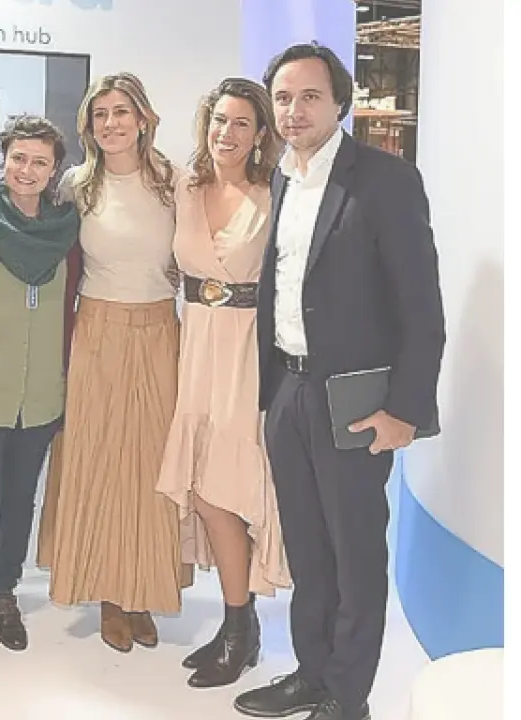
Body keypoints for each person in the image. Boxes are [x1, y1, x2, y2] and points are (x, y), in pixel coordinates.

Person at [234, 43, 444, 720]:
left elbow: (421, 307)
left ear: (340, 104)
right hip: (288, 392)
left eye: (309, 97)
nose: (293, 111)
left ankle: (348, 699)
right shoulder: (282, 179)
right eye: (283, 97)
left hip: (353, 401)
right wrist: (272, 396)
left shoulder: (385, 180)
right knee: (307, 551)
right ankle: (311, 674)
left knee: (354, 557)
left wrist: (404, 409)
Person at [35, 72, 186, 653]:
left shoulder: (174, 181)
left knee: (152, 470)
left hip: (159, 334)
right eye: (100, 114)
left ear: (143, 118)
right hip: (95, 333)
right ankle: (108, 597)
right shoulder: (77, 184)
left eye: (121, 111)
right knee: (96, 465)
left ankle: (142, 591)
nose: (111, 123)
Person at [156, 77, 290, 689]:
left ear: (260, 133)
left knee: (226, 493)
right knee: (206, 490)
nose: (226, 133)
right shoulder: (184, 187)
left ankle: (240, 629)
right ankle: (240, 623)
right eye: (218, 120)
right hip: (196, 349)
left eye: (241, 123)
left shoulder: (275, 193)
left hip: (247, 355)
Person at [0, 115, 78, 653]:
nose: (27, 170)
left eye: (40, 162)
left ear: (55, 170)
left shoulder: (68, 232)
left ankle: (5, 593)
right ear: (3, 159)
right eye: (19, 158)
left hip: (43, 393)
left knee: (21, 500)